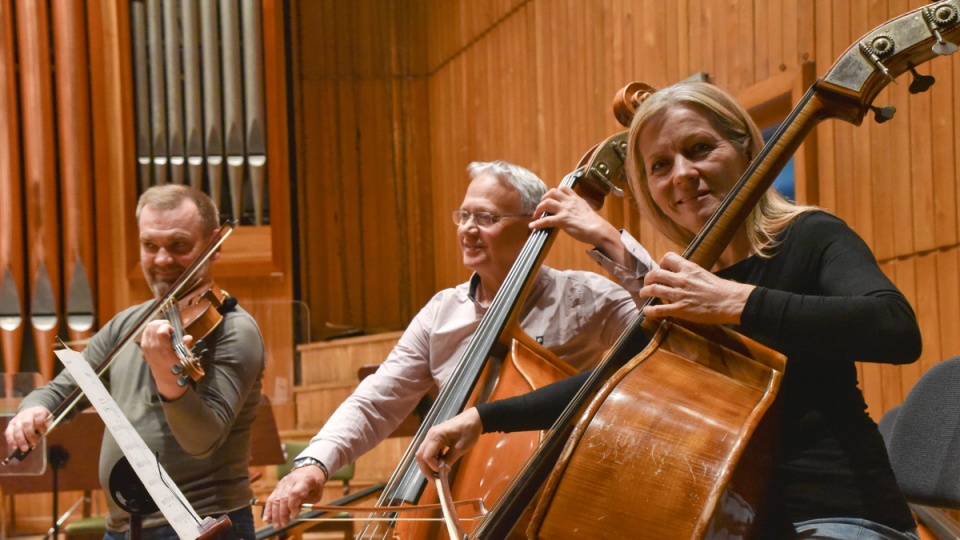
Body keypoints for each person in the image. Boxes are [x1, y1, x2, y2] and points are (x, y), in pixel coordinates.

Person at [416, 82, 923, 540]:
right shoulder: (683, 281)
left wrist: (733, 302)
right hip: (734, 522)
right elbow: (614, 377)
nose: (682, 175)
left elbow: (895, 328)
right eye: (660, 166)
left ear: (746, 148)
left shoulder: (810, 236)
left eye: (700, 148)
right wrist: (480, 419)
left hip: (840, 512)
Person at [262, 160, 649, 527]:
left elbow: (665, 325)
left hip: (552, 496)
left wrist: (606, 238)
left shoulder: (583, 298)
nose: (467, 228)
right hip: (457, 501)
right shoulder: (442, 313)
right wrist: (315, 463)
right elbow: (377, 400)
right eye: (463, 215)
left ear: (536, 223)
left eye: (486, 218)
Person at [5, 185, 265, 540]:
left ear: (215, 244)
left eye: (178, 245)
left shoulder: (234, 330)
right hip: (126, 529)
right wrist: (30, 410)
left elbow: (202, 439)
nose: (161, 260)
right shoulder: (127, 324)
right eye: (149, 246)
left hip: (203, 527)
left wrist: (168, 378)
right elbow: (61, 390)